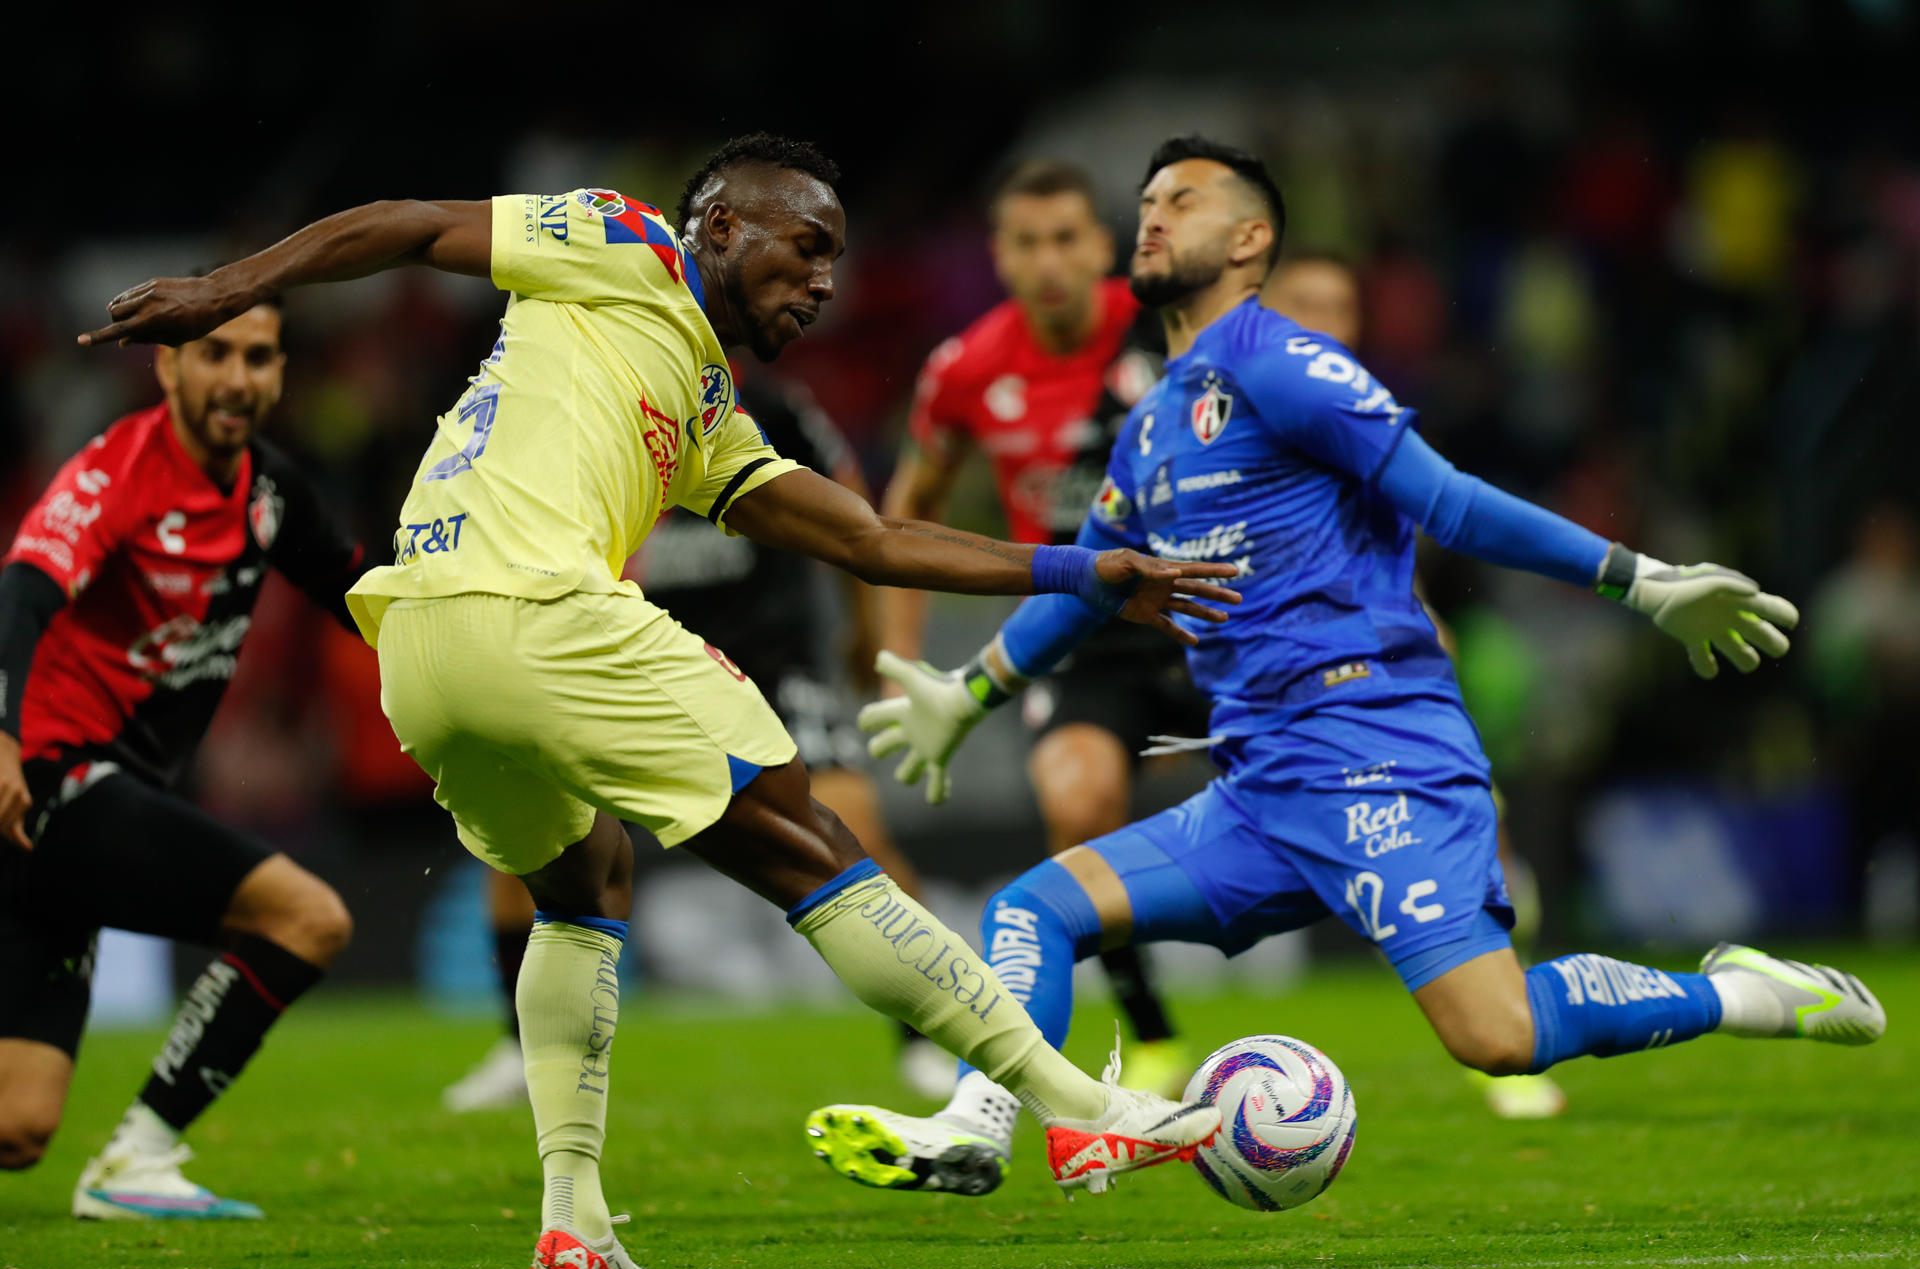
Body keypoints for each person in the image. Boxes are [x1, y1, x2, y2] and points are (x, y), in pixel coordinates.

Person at [79, 134, 1240, 1269]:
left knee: (584, 879)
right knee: (811, 843)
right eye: (808, 244)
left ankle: (573, 1223)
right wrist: (222, 289)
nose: (825, 281)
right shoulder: (623, 236)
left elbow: (871, 537)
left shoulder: (703, 406)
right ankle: (1085, 1105)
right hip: (534, 604)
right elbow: (412, 223)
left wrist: (1081, 570)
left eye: (836, 260)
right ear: (723, 225)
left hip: (422, 643)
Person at [821, 135, 1885, 1197]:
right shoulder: (1147, 426)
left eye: (1182, 200)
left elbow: (1451, 501)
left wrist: (1641, 580)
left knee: (1498, 1034)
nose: (1152, 214)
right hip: (1260, 784)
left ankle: (1735, 992)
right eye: (1145, 199)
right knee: (1032, 908)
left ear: (1250, 239)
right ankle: (975, 1121)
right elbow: (1098, 580)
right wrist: (969, 692)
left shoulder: (1284, 363)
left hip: (1378, 750)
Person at [443, 371, 952, 1113]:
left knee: (855, 833)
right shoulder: (595, 396)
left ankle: (925, 1043)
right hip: (637, 657)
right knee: (523, 833)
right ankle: (516, 1045)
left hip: (772, 665)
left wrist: (864, 636)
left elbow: (848, 504)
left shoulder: (772, 406)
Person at [0, 299, 360, 1219]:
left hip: (88, 820)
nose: (237, 378)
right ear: (168, 368)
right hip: (55, 782)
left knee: (18, 1127)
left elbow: (369, 596)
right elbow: (20, 596)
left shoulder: (273, 494)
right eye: (214, 354)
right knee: (306, 918)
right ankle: (136, 1160)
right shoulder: (117, 470)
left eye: (259, 357)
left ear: (281, 373)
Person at [880, 159, 1198, 1094]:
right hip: (1078, 627)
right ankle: (1149, 1030)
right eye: (1028, 242)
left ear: (1102, 247)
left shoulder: (1170, 328)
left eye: (1067, 238)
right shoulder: (966, 369)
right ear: (1000, 256)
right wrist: (898, 648)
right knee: (1076, 803)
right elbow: (908, 506)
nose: (1049, 261)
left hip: (1204, 610)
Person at [1263, 252, 1567, 1120]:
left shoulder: (1362, 416)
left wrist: (1424, 622)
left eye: (1339, 305)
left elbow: (1398, 546)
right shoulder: (1234, 420)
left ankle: (1497, 1041)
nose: (1323, 319)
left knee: (1486, 836)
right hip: (1265, 686)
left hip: (1373, 679)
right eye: (1303, 304)